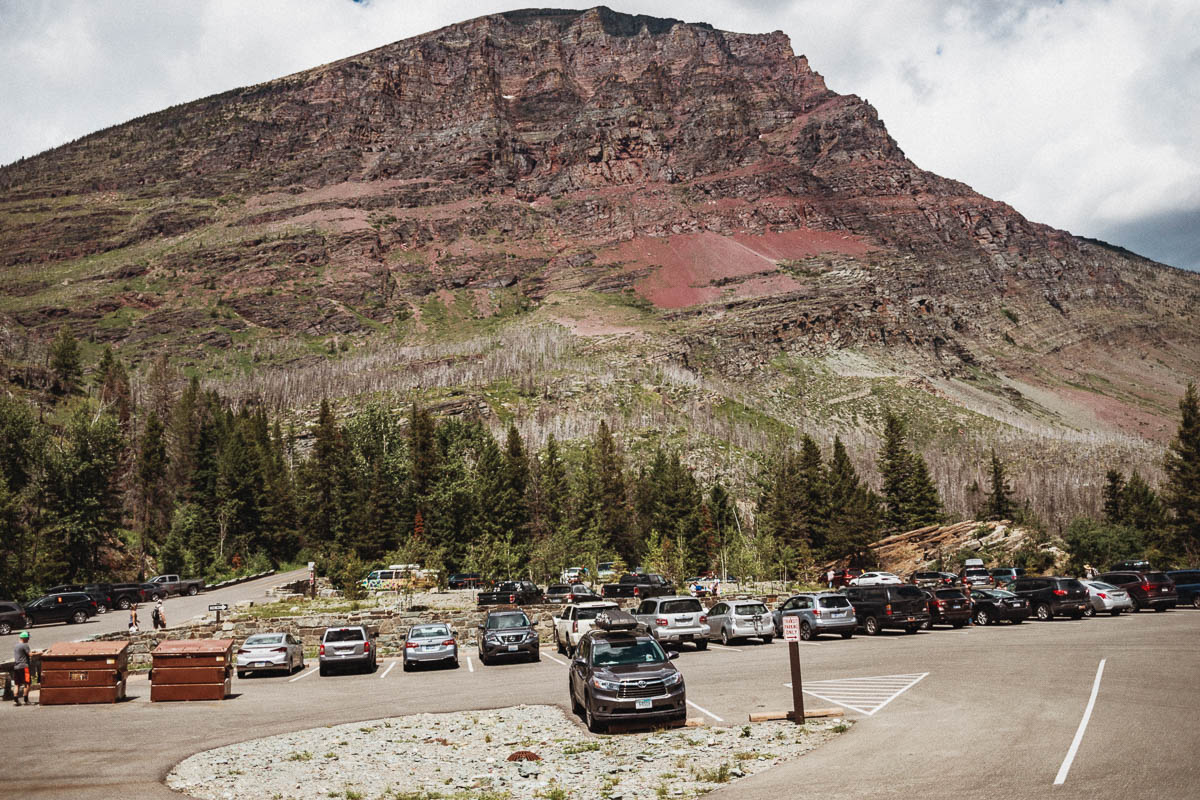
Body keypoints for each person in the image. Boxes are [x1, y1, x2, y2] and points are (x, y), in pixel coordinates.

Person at [12, 631, 32, 706]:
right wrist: (40, 653)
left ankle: (15, 701)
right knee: (27, 683)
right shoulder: (25, 645)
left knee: (17, 684)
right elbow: (30, 654)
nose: (28, 639)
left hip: (16, 667)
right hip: (24, 667)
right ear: (24, 638)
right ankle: (26, 700)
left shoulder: (16, 646)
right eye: (28, 638)